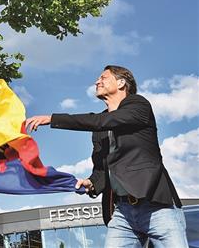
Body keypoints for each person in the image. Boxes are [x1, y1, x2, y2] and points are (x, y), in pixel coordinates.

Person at [25, 65, 188, 248]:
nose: (97, 82)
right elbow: (102, 169)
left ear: (121, 83)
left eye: (103, 78)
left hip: (157, 206)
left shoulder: (138, 105)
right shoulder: (99, 129)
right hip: (122, 213)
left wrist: (53, 119)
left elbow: (102, 121)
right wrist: (91, 182)